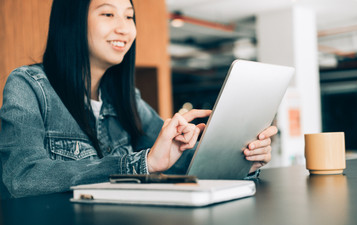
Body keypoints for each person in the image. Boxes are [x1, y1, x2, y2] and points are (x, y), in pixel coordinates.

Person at [0, 0, 277, 198]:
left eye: (129, 16)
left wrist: (241, 158)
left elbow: (181, 163)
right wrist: (139, 163)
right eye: (108, 14)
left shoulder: (127, 99)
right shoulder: (29, 86)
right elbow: (23, 177)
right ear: (71, 21)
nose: (124, 28)